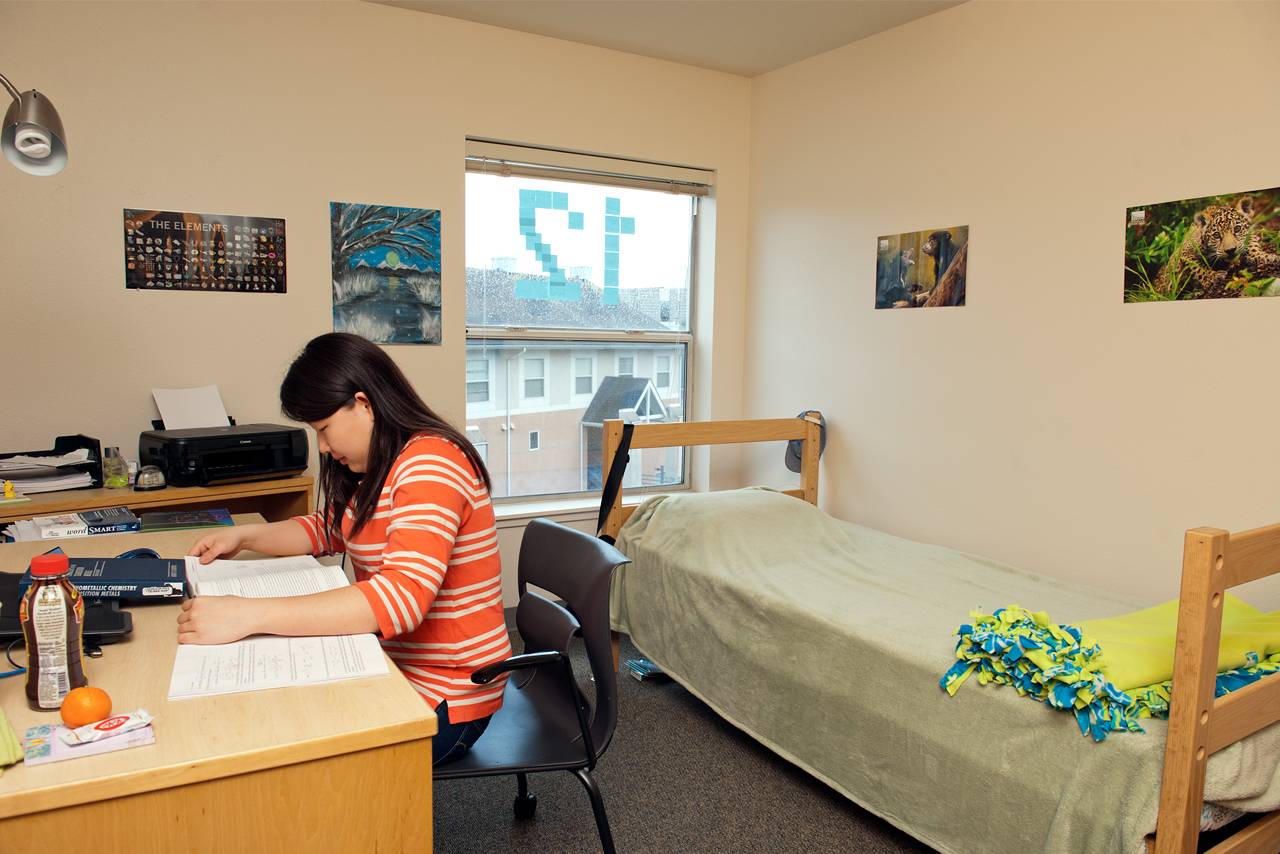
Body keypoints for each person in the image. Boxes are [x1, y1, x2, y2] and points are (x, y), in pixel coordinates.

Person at [178, 332, 511, 765]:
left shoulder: (431, 464)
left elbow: (401, 598)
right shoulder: (386, 464)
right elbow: (329, 529)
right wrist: (244, 537)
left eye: (323, 429)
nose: (322, 446)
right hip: (396, 664)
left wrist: (248, 615)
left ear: (364, 404)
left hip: (448, 692)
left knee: (307, 756)